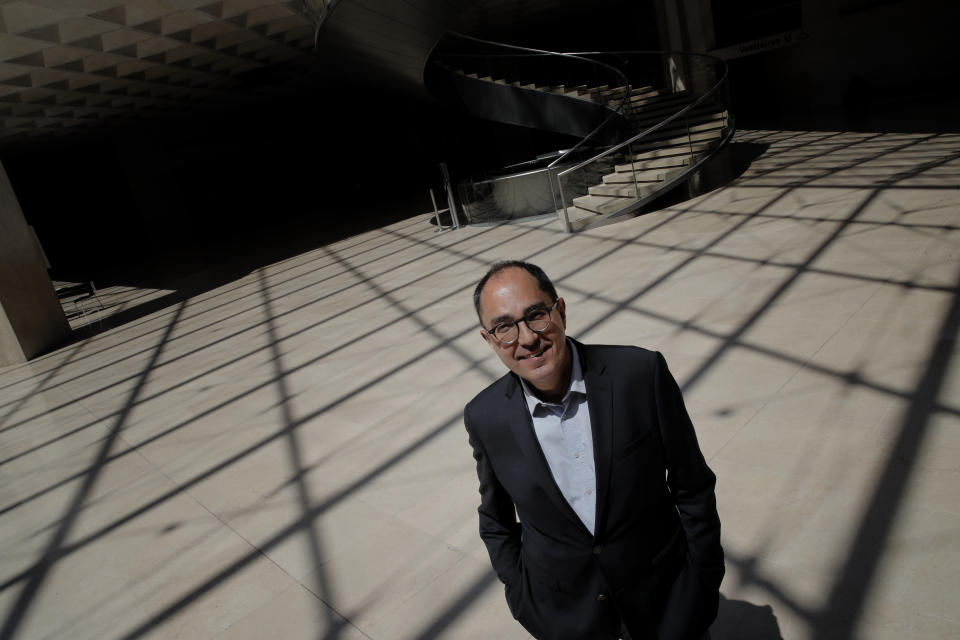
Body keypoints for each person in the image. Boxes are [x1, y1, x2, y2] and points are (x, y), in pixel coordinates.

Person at [463, 260, 724, 640]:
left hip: (668, 605)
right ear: (489, 340)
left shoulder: (639, 374)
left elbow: (693, 484)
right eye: (504, 327)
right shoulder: (485, 417)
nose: (527, 338)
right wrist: (523, 598)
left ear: (561, 311)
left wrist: (702, 578)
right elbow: (496, 521)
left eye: (536, 315)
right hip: (569, 619)